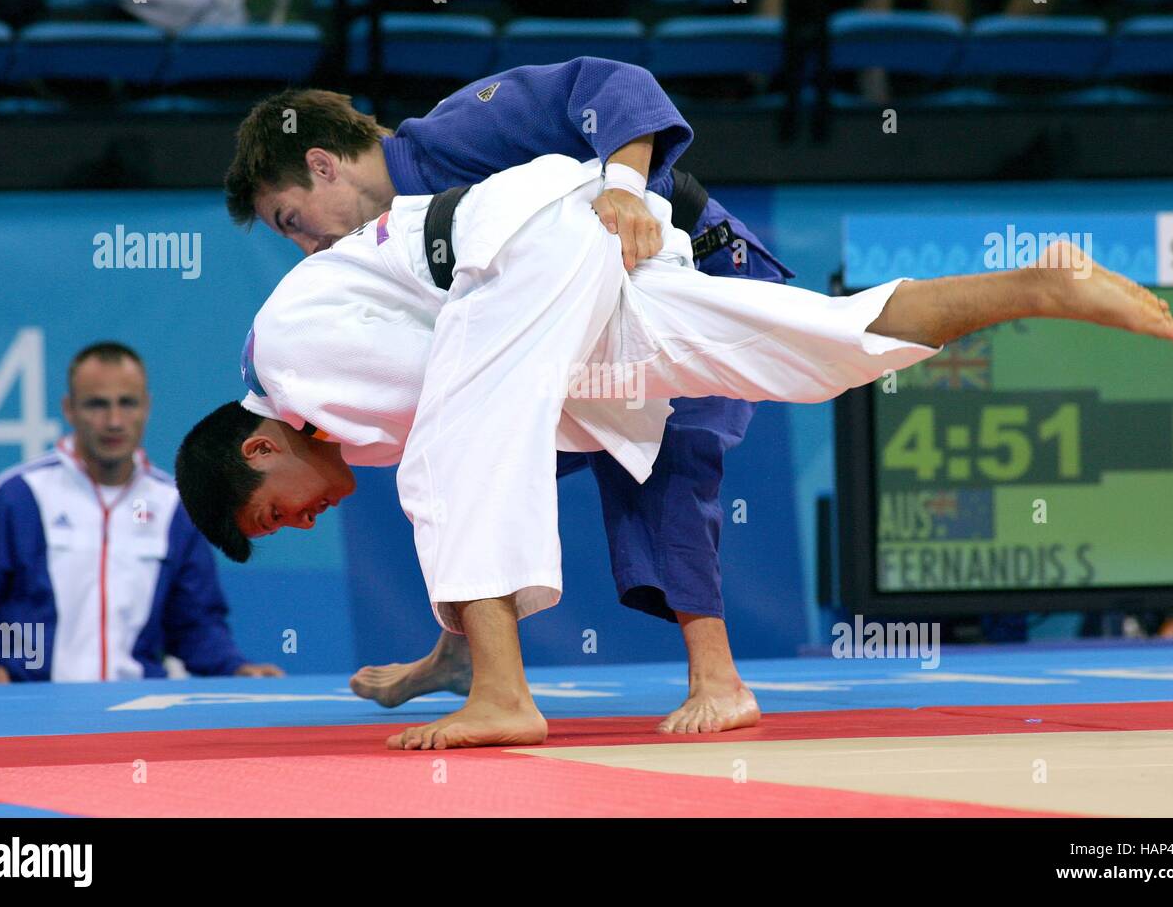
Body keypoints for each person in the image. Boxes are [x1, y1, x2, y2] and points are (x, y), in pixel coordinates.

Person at [178, 153, 1173, 748]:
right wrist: (637, 407)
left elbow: (473, 409)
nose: (307, 518)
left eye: (279, 509)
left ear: (261, 445)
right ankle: (1044, 286)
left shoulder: (289, 356)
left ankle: (503, 695)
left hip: (522, 246)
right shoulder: (341, 415)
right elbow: (510, 398)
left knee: (448, 455)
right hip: (570, 272)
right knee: (818, 350)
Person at [224, 69, 794, 734]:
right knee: (461, 454)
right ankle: (467, 650)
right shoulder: (382, 244)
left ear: (322, 165)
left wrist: (625, 189)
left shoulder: (454, 133)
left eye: (293, 221)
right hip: (597, 315)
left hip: (698, 265)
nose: (305, 246)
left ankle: (720, 680)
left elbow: (615, 84)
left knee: (666, 455)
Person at [0, 342, 283, 683]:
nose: (114, 421)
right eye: (97, 405)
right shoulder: (22, 495)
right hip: (35, 715)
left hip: (136, 716)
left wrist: (235, 668)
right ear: (69, 409)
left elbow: (196, 626)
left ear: (146, 407)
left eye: (127, 403)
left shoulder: (173, 507)